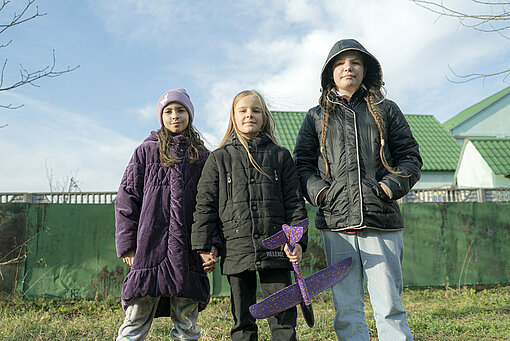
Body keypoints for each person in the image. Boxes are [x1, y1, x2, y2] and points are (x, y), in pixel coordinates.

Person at [294, 39, 422, 340]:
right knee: (346, 307)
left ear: (365, 70)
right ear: (330, 73)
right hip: (336, 225)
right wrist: (323, 195)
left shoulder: (386, 109)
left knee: (389, 305)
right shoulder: (316, 116)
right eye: (340, 63)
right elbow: (302, 165)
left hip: (382, 222)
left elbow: (410, 157)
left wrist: (388, 188)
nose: (347, 68)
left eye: (354, 62)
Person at [191, 90, 308, 341]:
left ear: (264, 116)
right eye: (242, 110)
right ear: (233, 117)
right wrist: (204, 246)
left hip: (277, 249)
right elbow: (205, 206)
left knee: (284, 321)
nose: (249, 115)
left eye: (255, 110)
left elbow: (295, 203)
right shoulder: (218, 159)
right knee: (242, 323)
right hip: (236, 249)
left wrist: (298, 240)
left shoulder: (280, 156)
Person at [115, 88, 215, 341]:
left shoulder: (202, 157)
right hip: (149, 251)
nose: (175, 116)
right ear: (160, 116)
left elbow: (213, 206)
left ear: (190, 115)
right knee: (136, 318)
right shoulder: (145, 152)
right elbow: (127, 199)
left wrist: (212, 245)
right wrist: (127, 245)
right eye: (168, 111)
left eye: (181, 110)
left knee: (186, 323)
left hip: (188, 256)